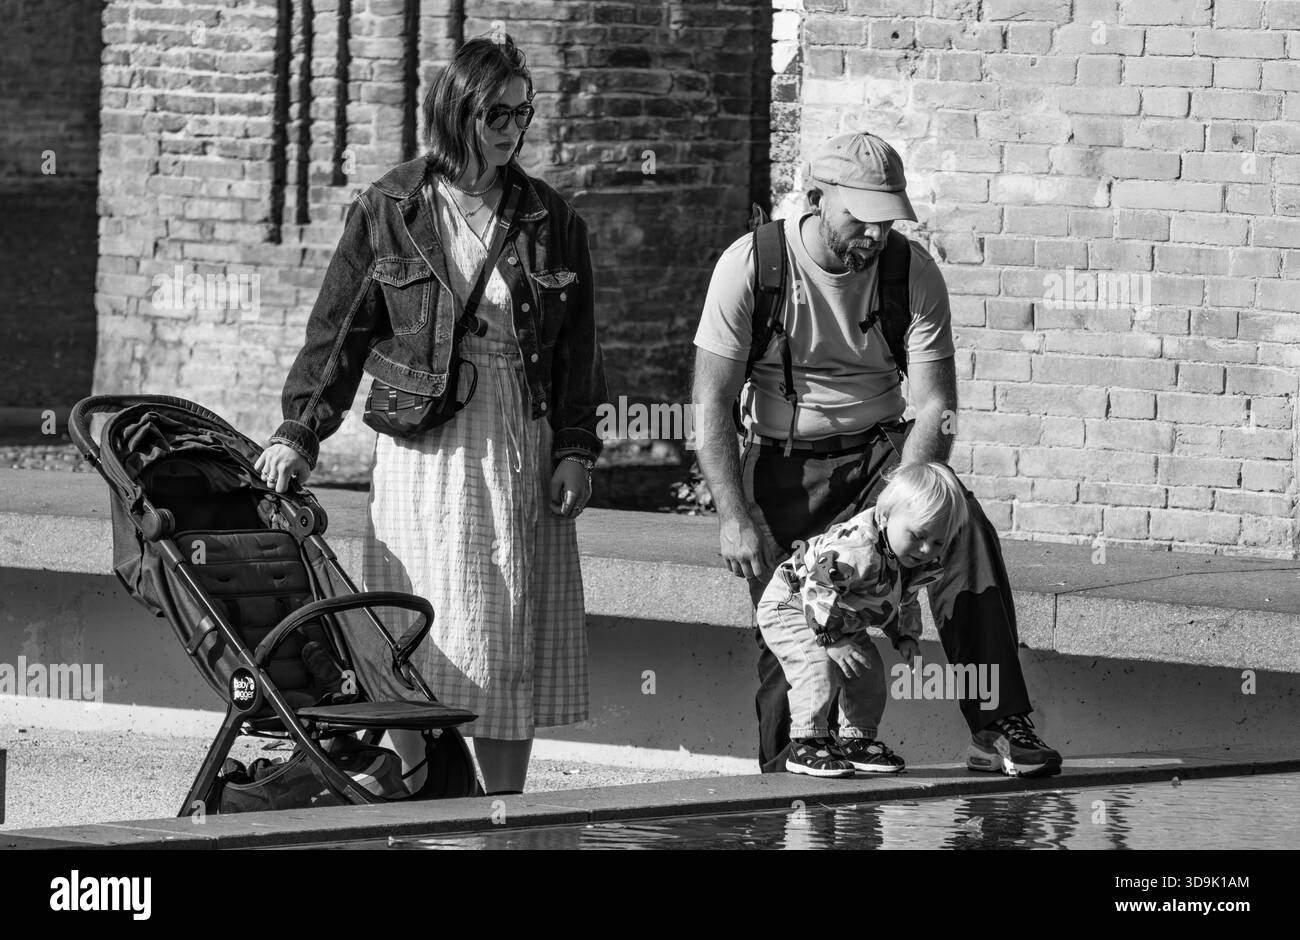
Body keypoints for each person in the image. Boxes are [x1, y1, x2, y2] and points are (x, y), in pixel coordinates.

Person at [254, 34, 607, 796]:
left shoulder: (550, 217)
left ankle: (502, 813)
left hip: (520, 436)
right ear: (457, 112)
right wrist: (298, 434)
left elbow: (580, 350)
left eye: (523, 112)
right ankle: (420, 791)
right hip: (425, 451)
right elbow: (338, 333)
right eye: (496, 113)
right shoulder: (391, 208)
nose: (513, 128)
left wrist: (577, 449)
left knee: (507, 637)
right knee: (424, 629)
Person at [692, 131, 1063, 778]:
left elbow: (935, 405)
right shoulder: (751, 266)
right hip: (783, 464)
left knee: (960, 528)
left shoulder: (910, 270)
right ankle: (788, 781)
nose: (873, 234)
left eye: (886, 219)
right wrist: (733, 514)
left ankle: (997, 724)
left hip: (882, 457)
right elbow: (712, 405)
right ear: (814, 198)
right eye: (859, 218)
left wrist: (910, 505)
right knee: (796, 638)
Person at [757, 462, 967, 777]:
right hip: (795, 603)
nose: (925, 549)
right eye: (918, 535)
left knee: (867, 672)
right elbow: (818, 587)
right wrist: (830, 640)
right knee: (817, 665)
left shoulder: (911, 558)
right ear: (885, 516)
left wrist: (904, 635)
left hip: (843, 615)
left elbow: (904, 598)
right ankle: (806, 741)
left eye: (937, 542)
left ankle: (855, 741)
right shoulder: (856, 549)